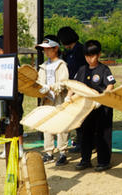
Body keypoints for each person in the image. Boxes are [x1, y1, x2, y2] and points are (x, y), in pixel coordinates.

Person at [66, 40, 116, 172]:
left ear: (99, 55)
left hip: (102, 107)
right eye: (87, 56)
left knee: (102, 134)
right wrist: (68, 96)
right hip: (86, 107)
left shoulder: (104, 69)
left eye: (92, 56)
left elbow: (110, 85)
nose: (89, 59)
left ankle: (103, 161)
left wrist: (103, 97)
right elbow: (75, 84)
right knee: (85, 133)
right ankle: (85, 160)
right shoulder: (82, 69)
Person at [35, 35, 70, 166]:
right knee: (46, 126)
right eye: (44, 49)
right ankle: (49, 153)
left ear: (56, 48)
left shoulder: (62, 65)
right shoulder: (43, 66)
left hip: (59, 99)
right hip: (47, 100)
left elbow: (63, 83)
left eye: (48, 49)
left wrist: (49, 87)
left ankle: (63, 152)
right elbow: (39, 82)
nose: (46, 51)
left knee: (62, 126)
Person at [0, 35, 25, 158]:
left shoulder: (14, 61)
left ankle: (20, 147)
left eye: (1, 49)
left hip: (14, 97)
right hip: (0, 96)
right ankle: (6, 148)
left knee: (17, 120)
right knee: (2, 121)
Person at [57, 26, 87, 153]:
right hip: (72, 87)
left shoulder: (79, 50)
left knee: (81, 117)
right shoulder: (70, 52)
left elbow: (82, 69)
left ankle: (84, 143)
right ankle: (80, 142)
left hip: (80, 87)